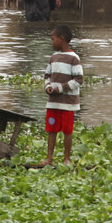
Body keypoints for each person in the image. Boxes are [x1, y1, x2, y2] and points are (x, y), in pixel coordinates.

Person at [42, 24, 83, 166]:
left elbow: (79, 80)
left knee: (67, 131)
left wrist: (61, 88)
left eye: (53, 39)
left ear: (62, 38)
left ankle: (67, 159)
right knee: (51, 130)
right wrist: (48, 86)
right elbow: (47, 76)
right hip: (53, 102)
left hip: (68, 104)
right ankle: (49, 158)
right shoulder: (53, 57)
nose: (52, 42)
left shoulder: (74, 58)